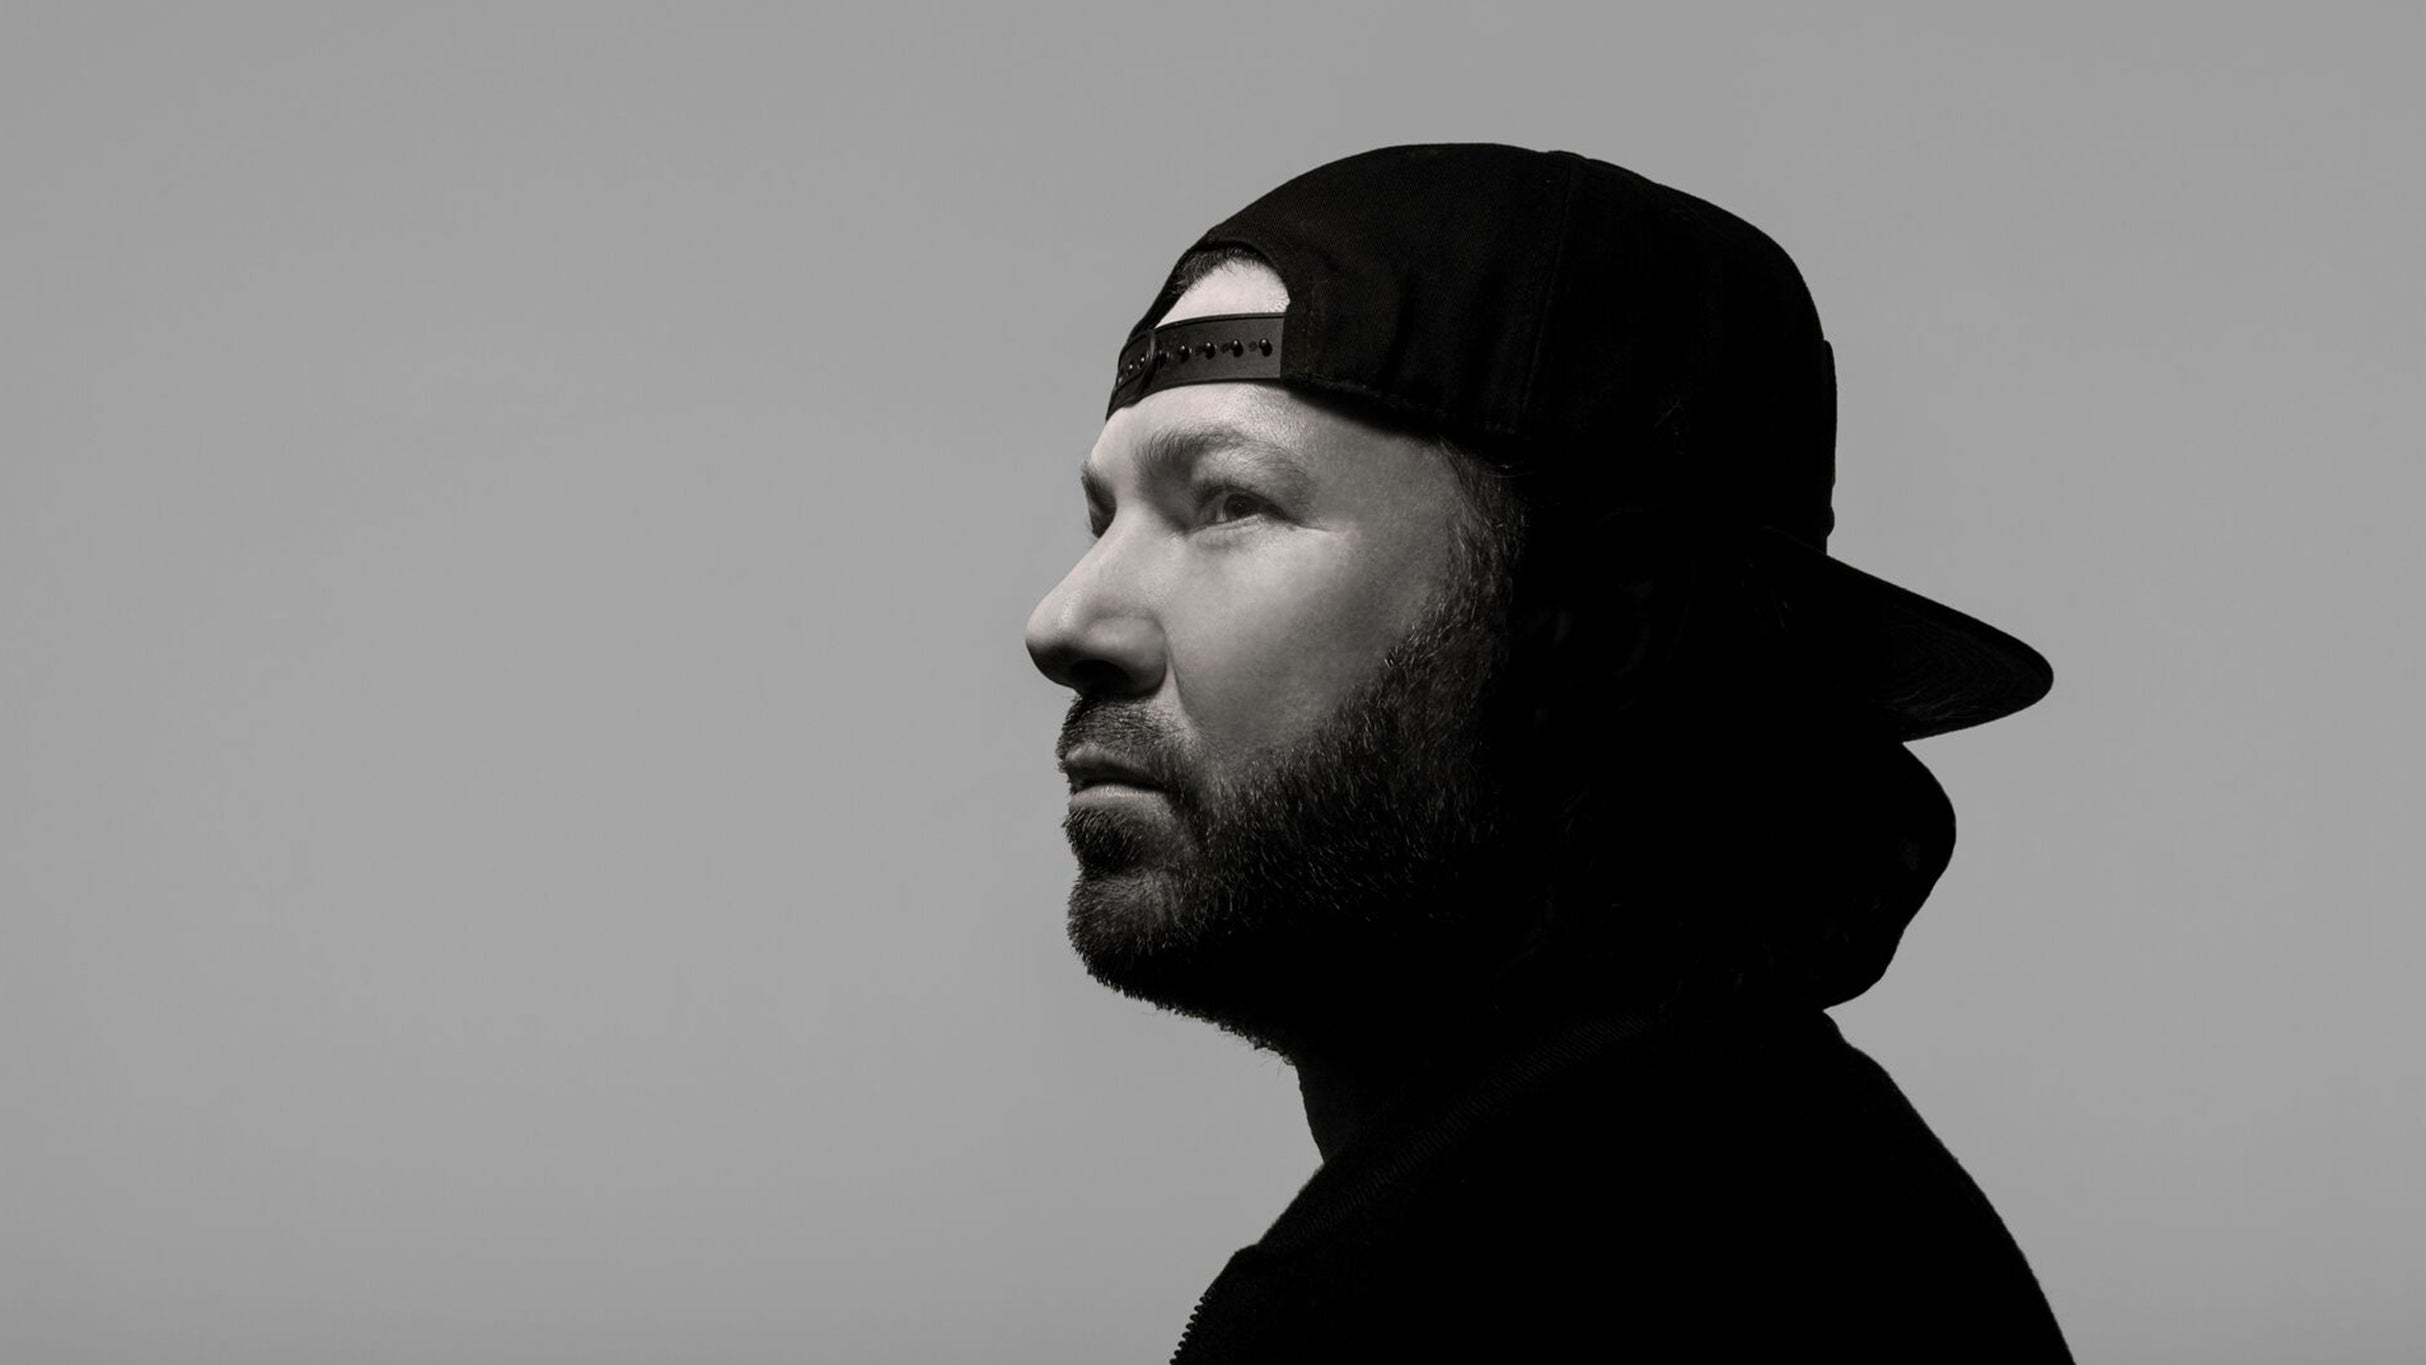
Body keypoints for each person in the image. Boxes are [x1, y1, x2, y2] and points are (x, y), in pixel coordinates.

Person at [1024, 143, 2073, 1361]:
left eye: (1228, 504)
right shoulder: (1717, 1175)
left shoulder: (1604, 1255)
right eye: (1102, 521)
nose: (1062, 621)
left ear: (1600, 631)